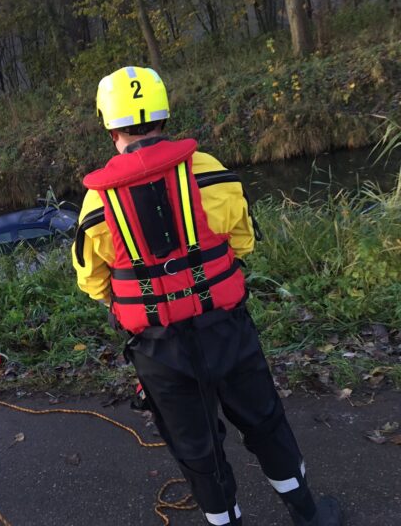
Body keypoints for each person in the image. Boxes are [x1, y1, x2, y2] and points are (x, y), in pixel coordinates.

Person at [72, 66, 342, 526]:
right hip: (227, 330)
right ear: (163, 112)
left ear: (109, 124)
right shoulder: (212, 172)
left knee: (197, 448)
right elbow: (243, 243)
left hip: (161, 351)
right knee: (265, 423)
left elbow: (94, 285)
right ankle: (308, 514)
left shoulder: (97, 204)